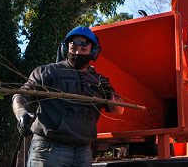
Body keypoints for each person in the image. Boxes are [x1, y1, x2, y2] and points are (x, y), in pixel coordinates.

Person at [12, 26, 124, 167]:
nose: (77, 53)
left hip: (84, 152)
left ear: (93, 52)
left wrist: (109, 94)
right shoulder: (47, 71)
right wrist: (21, 113)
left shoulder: (99, 80)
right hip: (49, 149)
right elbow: (20, 96)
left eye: (83, 50)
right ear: (65, 49)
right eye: (73, 49)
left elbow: (119, 110)